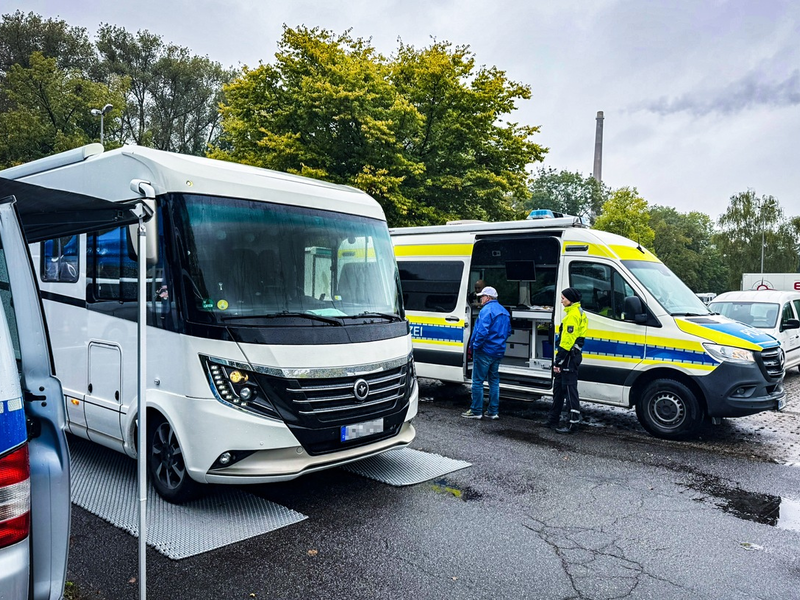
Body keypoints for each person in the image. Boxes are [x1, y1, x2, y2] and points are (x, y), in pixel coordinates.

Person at [462, 286, 511, 420]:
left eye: (482, 297)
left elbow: (482, 332)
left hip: (484, 351)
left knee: (477, 381)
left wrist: (475, 346)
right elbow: (508, 332)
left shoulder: (486, 311)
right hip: (498, 351)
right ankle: (493, 412)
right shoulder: (504, 312)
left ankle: (476, 410)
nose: (481, 299)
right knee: (494, 381)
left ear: (488, 297)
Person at [546, 287, 589, 434]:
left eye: (563, 298)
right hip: (570, 356)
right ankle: (553, 419)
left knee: (570, 391)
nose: (561, 300)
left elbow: (567, 341)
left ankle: (573, 424)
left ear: (570, 300)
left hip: (569, 357)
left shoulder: (572, 315)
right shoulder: (575, 312)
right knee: (558, 388)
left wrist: (558, 360)